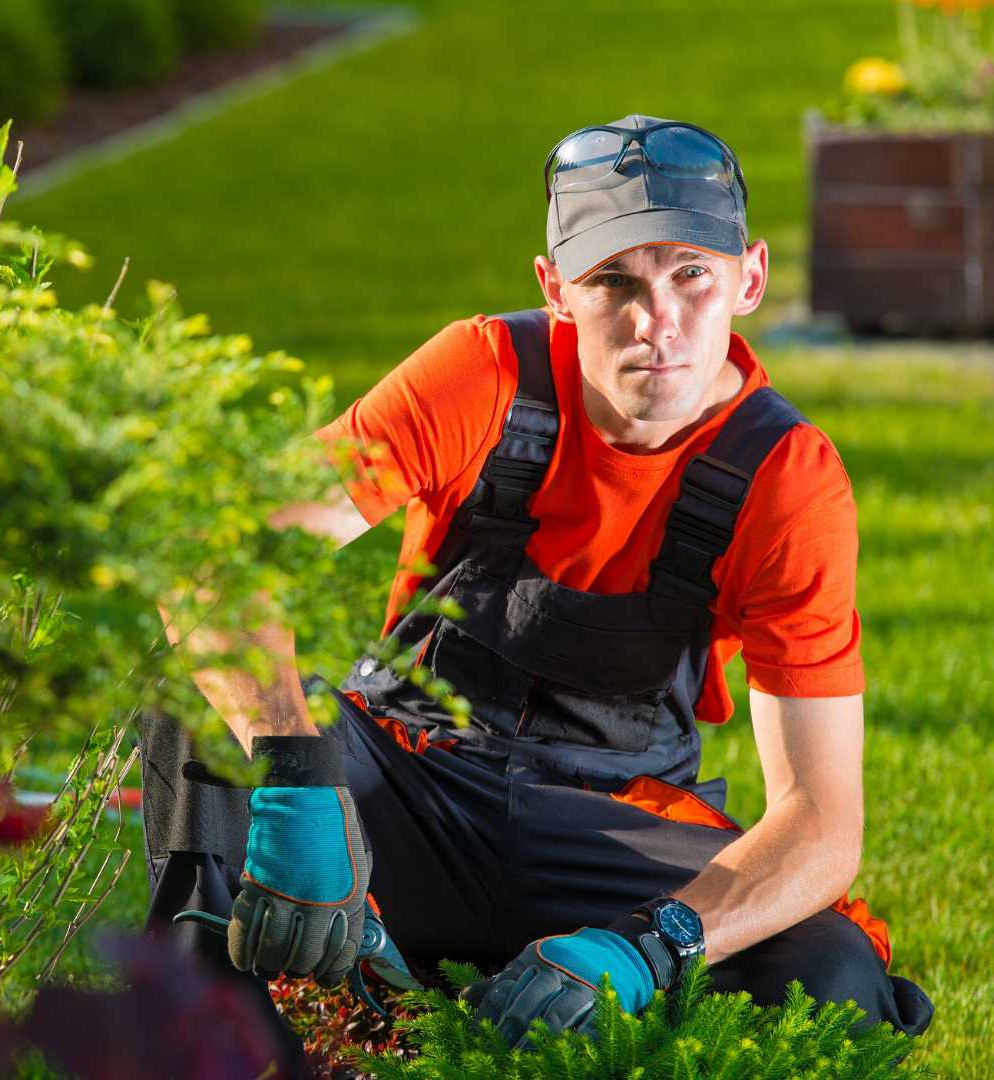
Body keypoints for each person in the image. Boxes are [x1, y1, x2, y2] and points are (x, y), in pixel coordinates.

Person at [142, 115, 934, 1072]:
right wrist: (298, 777)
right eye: (614, 282)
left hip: (613, 828)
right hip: (410, 788)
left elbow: (820, 824)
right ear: (556, 289)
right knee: (195, 701)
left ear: (750, 278)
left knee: (834, 982)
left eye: (692, 274)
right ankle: (235, 1045)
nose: (658, 323)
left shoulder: (787, 480)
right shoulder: (483, 374)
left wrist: (648, 946)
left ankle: (430, 1000)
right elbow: (208, 550)